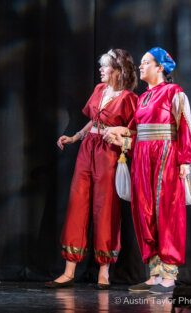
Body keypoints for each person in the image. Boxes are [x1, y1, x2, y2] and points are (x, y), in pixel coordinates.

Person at [103, 47, 191, 294]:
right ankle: (155, 273)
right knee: (144, 211)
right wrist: (120, 135)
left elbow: (184, 128)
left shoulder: (174, 92)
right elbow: (135, 130)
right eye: (141, 62)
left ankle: (169, 275)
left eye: (146, 62)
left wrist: (184, 161)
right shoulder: (143, 98)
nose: (141, 66)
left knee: (167, 211)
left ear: (160, 67)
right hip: (143, 158)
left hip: (166, 158)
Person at [45, 49, 138, 289]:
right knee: (78, 202)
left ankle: (104, 271)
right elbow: (94, 121)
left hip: (109, 154)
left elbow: (134, 130)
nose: (101, 70)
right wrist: (75, 137)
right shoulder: (99, 90)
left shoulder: (129, 98)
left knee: (105, 206)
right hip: (88, 149)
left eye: (105, 66)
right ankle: (69, 270)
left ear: (118, 71)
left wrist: (119, 136)